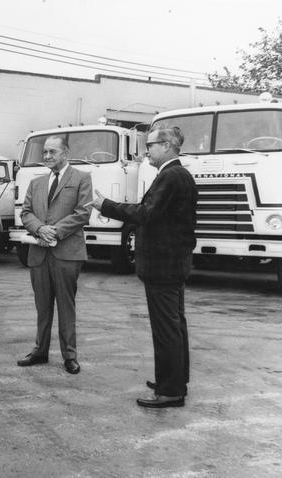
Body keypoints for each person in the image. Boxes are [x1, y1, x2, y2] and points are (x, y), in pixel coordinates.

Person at [88, 126, 197, 408]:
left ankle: (170, 391)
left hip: (163, 265)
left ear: (168, 146)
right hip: (172, 264)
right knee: (175, 325)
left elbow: (146, 213)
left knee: (166, 328)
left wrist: (106, 205)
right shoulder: (176, 174)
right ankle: (174, 380)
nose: (145, 150)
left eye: (150, 145)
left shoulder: (171, 176)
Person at [17, 135, 92, 374]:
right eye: (45, 152)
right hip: (39, 254)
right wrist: (39, 228)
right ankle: (40, 351)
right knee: (42, 306)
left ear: (65, 153)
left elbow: (83, 213)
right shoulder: (36, 183)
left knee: (66, 306)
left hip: (67, 254)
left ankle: (70, 356)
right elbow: (26, 212)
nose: (47, 156)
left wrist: (54, 231)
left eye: (53, 152)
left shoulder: (81, 178)